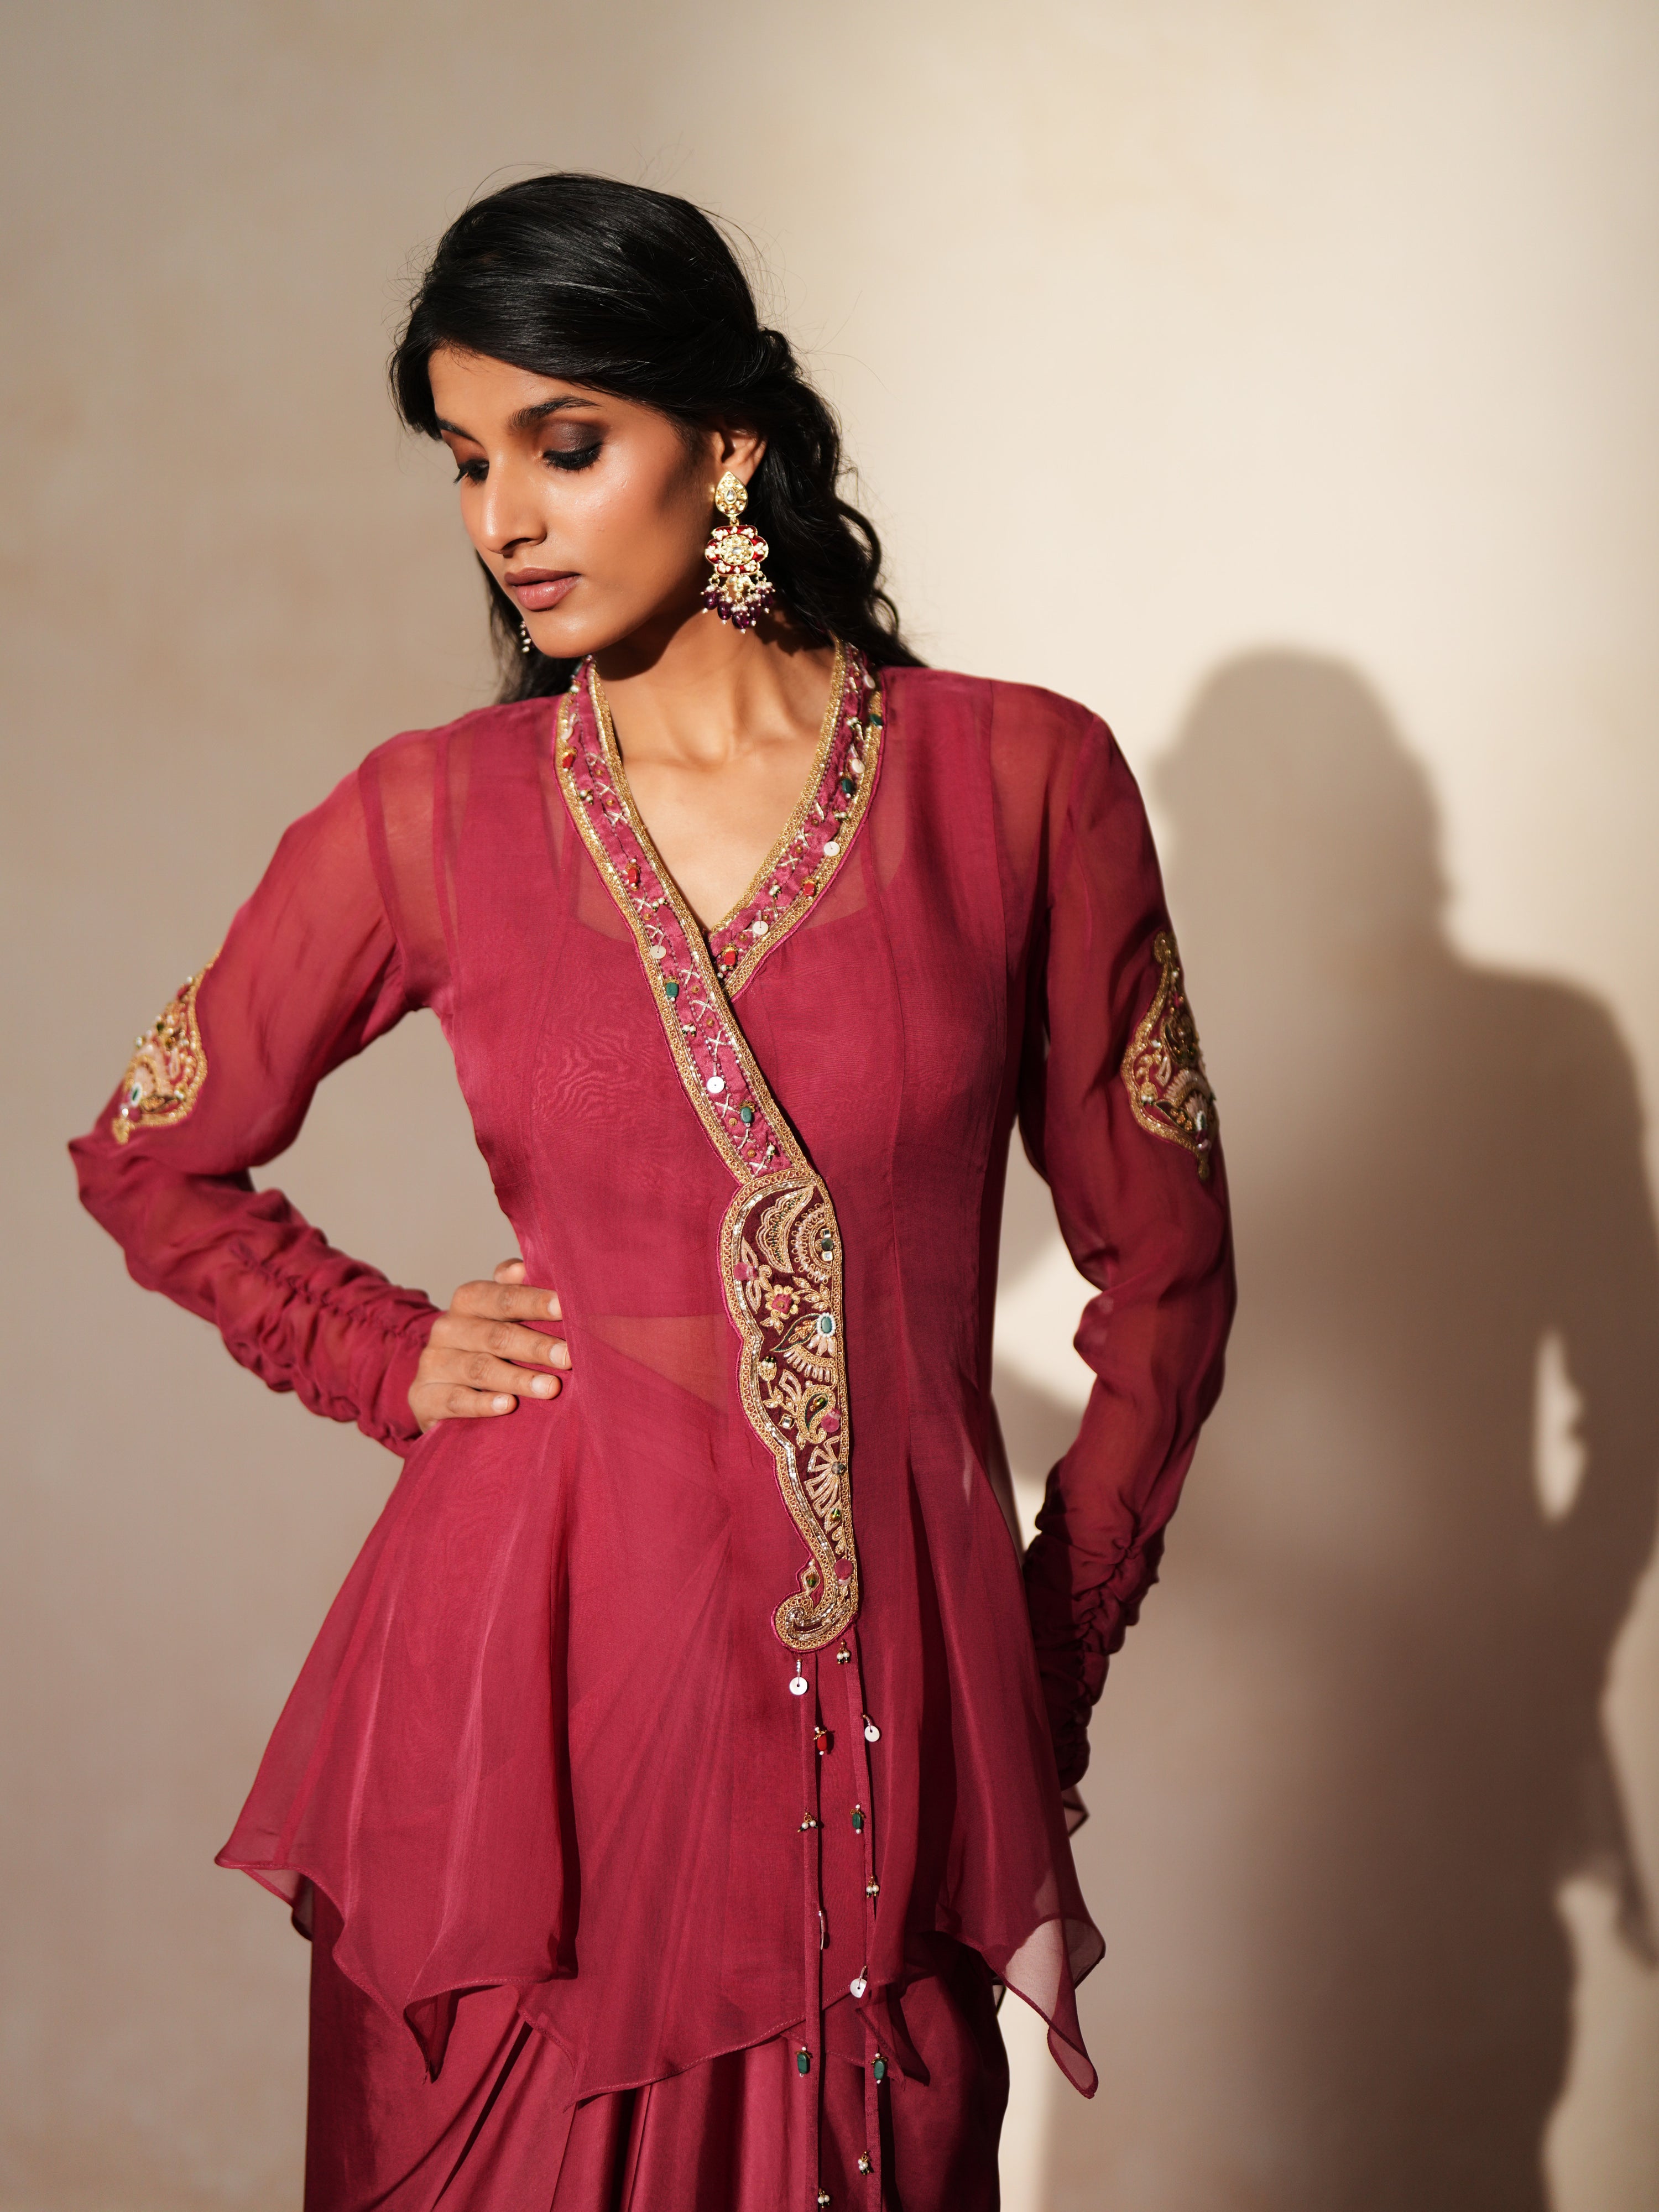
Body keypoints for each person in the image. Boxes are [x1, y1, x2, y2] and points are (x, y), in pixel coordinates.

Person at [70, 173, 1234, 2211]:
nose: (503, 518)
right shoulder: (436, 817)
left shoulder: (1022, 785)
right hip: (523, 1738)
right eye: (465, 462)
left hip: (880, 1741)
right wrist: (381, 1349)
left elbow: (1171, 1282)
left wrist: (1039, 1659)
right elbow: (152, 1152)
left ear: (731, 445)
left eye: (564, 444)